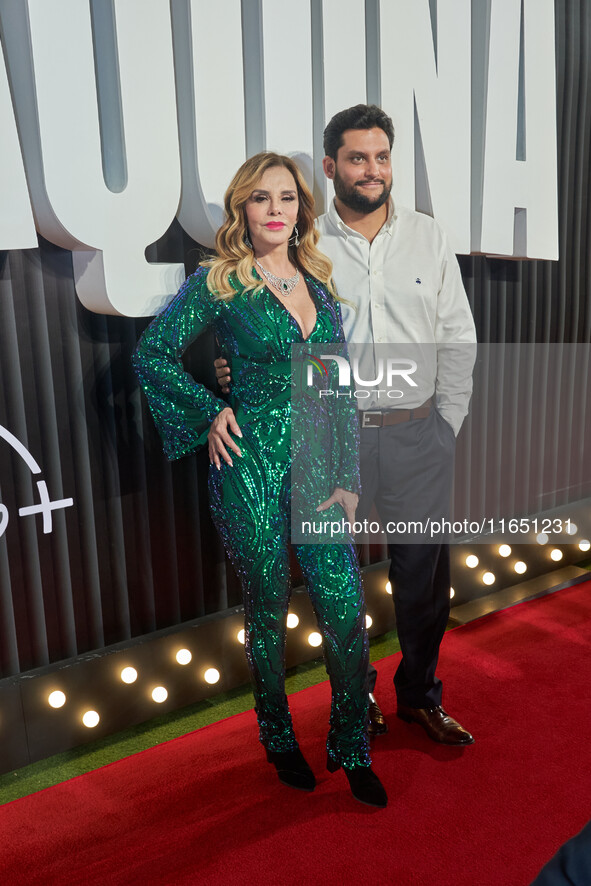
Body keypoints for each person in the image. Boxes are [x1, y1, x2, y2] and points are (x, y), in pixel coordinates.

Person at [133, 152, 387, 807]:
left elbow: (335, 389)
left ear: (301, 209)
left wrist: (348, 477)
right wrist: (207, 409)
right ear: (241, 212)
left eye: (286, 198)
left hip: (321, 471)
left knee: (341, 608)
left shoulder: (319, 284)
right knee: (267, 608)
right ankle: (277, 739)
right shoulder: (218, 283)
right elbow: (153, 354)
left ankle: (351, 744)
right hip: (250, 465)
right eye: (260, 199)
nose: (275, 209)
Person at [217, 105, 477, 746]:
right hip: (330, 440)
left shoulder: (429, 235)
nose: (373, 169)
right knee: (337, 583)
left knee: (422, 579)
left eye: (382, 156)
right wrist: (233, 372)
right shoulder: (301, 241)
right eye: (357, 158)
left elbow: (456, 336)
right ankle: (357, 699)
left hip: (419, 436)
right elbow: (256, 330)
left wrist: (446, 423)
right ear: (330, 167)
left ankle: (419, 695)